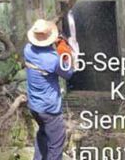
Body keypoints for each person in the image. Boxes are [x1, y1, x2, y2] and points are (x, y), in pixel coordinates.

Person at [24, 18, 74, 160]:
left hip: (34, 106)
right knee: (56, 143)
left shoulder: (27, 50)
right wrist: (66, 53)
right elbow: (68, 73)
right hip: (49, 109)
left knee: (43, 136)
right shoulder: (53, 59)